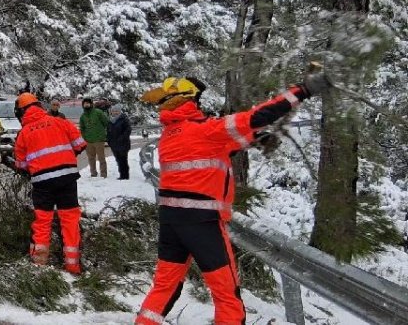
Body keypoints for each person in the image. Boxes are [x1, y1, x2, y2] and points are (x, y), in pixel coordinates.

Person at [133, 74, 329, 325]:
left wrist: (260, 138)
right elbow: (257, 116)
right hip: (202, 223)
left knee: (165, 285)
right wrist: (301, 91)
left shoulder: (171, 135)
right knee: (226, 291)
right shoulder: (207, 130)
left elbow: (226, 145)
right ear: (191, 99)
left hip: (171, 221)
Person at [13, 92, 87, 274]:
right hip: (67, 178)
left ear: (21, 112)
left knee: (43, 221)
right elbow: (80, 144)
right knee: (70, 220)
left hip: (42, 182)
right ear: (39, 106)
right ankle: (73, 265)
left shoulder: (23, 134)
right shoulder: (60, 122)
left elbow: (21, 165)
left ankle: (39, 264)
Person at [78, 98, 110, 177]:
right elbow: (82, 128)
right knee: (91, 158)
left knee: (101, 158)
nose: (86, 105)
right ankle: (93, 173)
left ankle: (103, 174)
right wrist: (84, 138)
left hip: (99, 139)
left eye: (88, 103)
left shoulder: (98, 112)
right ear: (83, 105)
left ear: (91, 104)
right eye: (85, 104)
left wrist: (105, 134)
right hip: (88, 141)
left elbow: (106, 123)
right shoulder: (82, 116)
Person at [106, 105, 132, 179]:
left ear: (120, 111)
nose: (115, 112)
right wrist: (109, 140)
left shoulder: (124, 119)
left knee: (123, 160)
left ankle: (125, 176)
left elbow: (128, 130)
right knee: (118, 160)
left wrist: (121, 138)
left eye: (117, 111)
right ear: (111, 112)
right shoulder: (110, 120)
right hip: (114, 144)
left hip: (123, 144)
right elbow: (108, 131)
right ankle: (121, 174)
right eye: (114, 111)